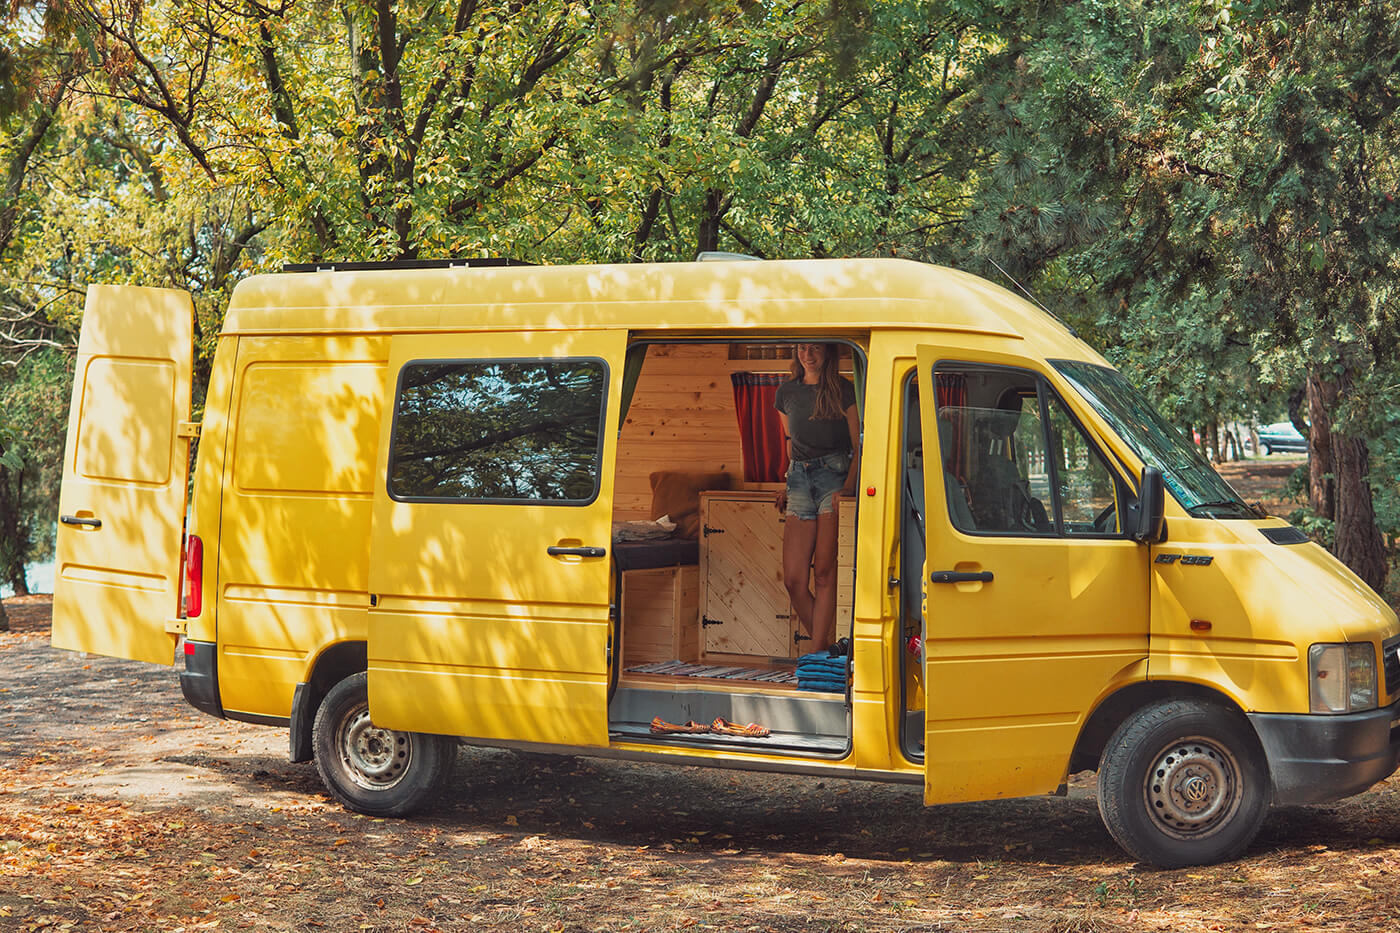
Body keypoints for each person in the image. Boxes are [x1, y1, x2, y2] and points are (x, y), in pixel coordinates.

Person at [774, 342, 861, 653]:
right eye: (801, 348)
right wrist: (787, 482)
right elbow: (789, 441)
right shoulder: (786, 394)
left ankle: (815, 656)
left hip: (834, 479)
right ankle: (827, 651)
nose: (807, 355)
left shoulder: (844, 390)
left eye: (815, 349)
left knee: (824, 572)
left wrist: (848, 488)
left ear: (828, 353)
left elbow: (858, 444)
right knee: (794, 580)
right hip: (798, 480)